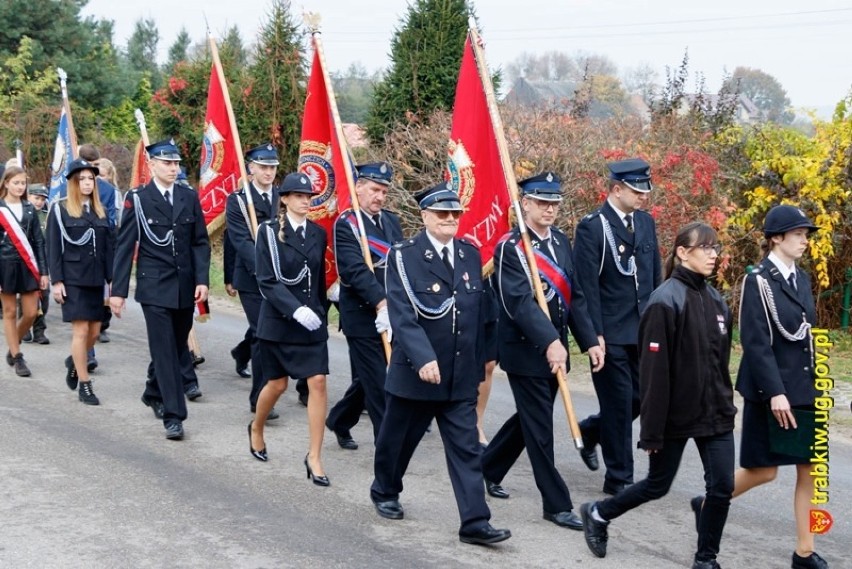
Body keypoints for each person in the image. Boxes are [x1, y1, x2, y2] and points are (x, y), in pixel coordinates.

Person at [580, 222, 735, 569]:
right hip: (676, 416)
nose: (713, 255)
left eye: (716, 248)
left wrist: (726, 404)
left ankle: (706, 558)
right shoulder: (664, 302)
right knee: (657, 485)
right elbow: (653, 376)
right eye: (705, 248)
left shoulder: (717, 302)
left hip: (716, 414)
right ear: (682, 252)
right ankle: (599, 513)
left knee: (722, 487)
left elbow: (721, 364)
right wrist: (651, 432)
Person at [370, 181, 511, 546]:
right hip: (417, 372)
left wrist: (487, 358)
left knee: (466, 450)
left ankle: (475, 521)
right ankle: (385, 489)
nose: (450, 219)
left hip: (459, 374)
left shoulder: (468, 253)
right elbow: (402, 314)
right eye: (442, 213)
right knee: (398, 441)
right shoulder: (404, 254)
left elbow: (482, 311)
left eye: (455, 214)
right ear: (425, 216)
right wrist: (423, 358)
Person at [481, 172, 605, 530]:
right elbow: (518, 303)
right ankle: (556, 503)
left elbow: (575, 297)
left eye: (554, 203)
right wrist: (549, 341)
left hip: (557, 351)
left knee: (528, 420)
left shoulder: (561, 243)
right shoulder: (510, 247)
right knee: (539, 429)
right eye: (542, 202)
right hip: (526, 351)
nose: (550, 209)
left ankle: (488, 467)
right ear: (526, 204)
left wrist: (590, 340)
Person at [730, 205, 829, 569]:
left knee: (810, 467)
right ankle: (711, 503)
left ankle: (804, 551)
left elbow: (805, 335)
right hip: (768, 389)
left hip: (803, 386)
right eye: (798, 234)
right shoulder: (757, 279)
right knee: (764, 471)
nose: (805, 240)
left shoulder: (800, 279)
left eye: (806, 234)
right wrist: (776, 392)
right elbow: (755, 342)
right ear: (776, 238)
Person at [110, 139, 210, 441]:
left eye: (176, 163)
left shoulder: (187, 196)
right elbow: (125, 245)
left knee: (177, 346)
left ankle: (153, 390)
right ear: (151, 165)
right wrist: (118, 290)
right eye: (166, 163)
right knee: (165, 351)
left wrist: (203, 280)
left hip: (184, 287)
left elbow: (199, 242)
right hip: (154, 288)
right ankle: (174, 414)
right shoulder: (138, 198)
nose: (172, 168)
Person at [574, 158, 662, 495]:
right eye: (637, 191)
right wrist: (592, 336)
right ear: (616, 189)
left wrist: (658, 324)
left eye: (645, 190)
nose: (643, 196)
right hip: (608, 333)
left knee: (640, 399)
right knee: (618, 402)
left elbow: (654, 277)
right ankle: (620, 477)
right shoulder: (593, 226)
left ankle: (593, 431)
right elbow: (585, 288)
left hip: (641, 330)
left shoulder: (645, 223)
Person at [248, 172, 330, 486]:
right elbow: (267, 280)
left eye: (309, 197)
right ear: (284, 198)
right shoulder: (268, 232)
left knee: (318, 382)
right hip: (281, 321)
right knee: (277, 385)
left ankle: (315, 456)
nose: (305, 201)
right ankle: (257, 426)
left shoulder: (318, 233)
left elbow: (318, 279)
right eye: (299, 196)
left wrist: (322, 310)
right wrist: (296, 310)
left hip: (311, 323)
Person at [326, 161, 403, 449]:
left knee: (371, 378)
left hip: (392, 312)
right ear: (358, 187)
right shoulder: (346, 224)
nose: (379, 197)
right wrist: (381, 302)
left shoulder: (392, 222)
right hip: (361, 315)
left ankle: (339, 420)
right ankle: (389, 448)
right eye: (374, 189)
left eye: (383, 191)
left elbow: (398, 265)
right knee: (378, 384)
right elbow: (354, 271)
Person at [46, 159, 114, 405]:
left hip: (96, 279)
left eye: (90, 179)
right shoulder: (60, 209)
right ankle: (85, 385)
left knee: (94, 332)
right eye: (82, 179)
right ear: (73, 183)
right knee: (81, 330)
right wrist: (57, 281)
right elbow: (53, 247)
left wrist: (112, 281)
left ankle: (74, 362)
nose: (87, 183)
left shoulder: (100, 211)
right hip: (73, 279)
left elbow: (108, 249)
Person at [225, 143, 282, 421]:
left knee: (270, 333)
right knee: (263, 334)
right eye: (263, 167)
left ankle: (241, 354)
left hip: (278, 278)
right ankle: (260, 397)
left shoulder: (280, 197)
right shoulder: (238, 201)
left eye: (272, 167)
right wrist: (264, 267)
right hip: (251, 278)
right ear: (251, 168)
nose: (269, 172)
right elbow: (239, 241)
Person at [0, 166, 48, 376]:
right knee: (10, 312)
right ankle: (18, 357)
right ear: (6, 183)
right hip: (5, 265)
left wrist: (44, 272)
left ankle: (13, 345)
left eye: (22, 183)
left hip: (28, 266)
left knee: (30, 313)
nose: (20, 187)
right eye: (16, 182)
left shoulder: (29, 209)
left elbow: (38, 242)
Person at [94, 157, 121, 343]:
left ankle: (104, 323)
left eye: (102, 176)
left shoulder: (114, 193)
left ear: (110, 176)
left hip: (109, 239)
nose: (98, 180)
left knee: (108, 284)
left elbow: (115, 218)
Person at [21, 183, 50, 345]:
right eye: (36, 198)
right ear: (28, 196)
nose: (39, 202)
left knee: (44, 296)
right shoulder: (22, 213)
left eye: (42, 199)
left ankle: (39, 330)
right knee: (26, 296)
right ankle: (25, 327)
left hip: (42, 260)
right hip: (25, 260)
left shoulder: (47, 215)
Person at [223, 229, 252, 378]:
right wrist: (229, 278)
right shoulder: (240, 206)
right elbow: (231, 239)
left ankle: (242, 352)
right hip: (247, 275)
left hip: (273, 275)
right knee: (260, 325)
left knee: (267, 324)